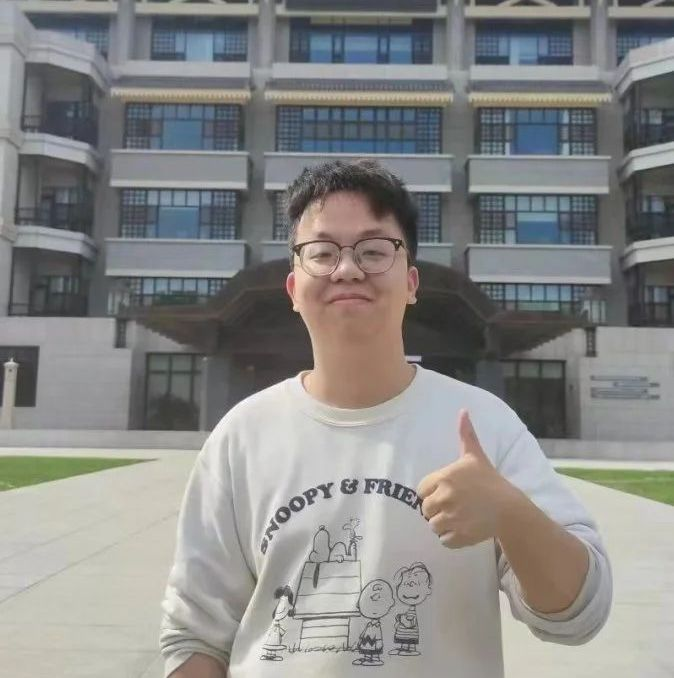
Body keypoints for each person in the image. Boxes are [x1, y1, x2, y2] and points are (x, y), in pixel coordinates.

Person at [159, 160, 612, 678]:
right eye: (322, 252)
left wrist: (511, 513)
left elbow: (579, 612)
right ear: (293, 288)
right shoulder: (241, 436)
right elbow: (196, 634)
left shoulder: (484, 425)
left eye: (374, 251)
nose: (347, 269)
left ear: (411, 282)